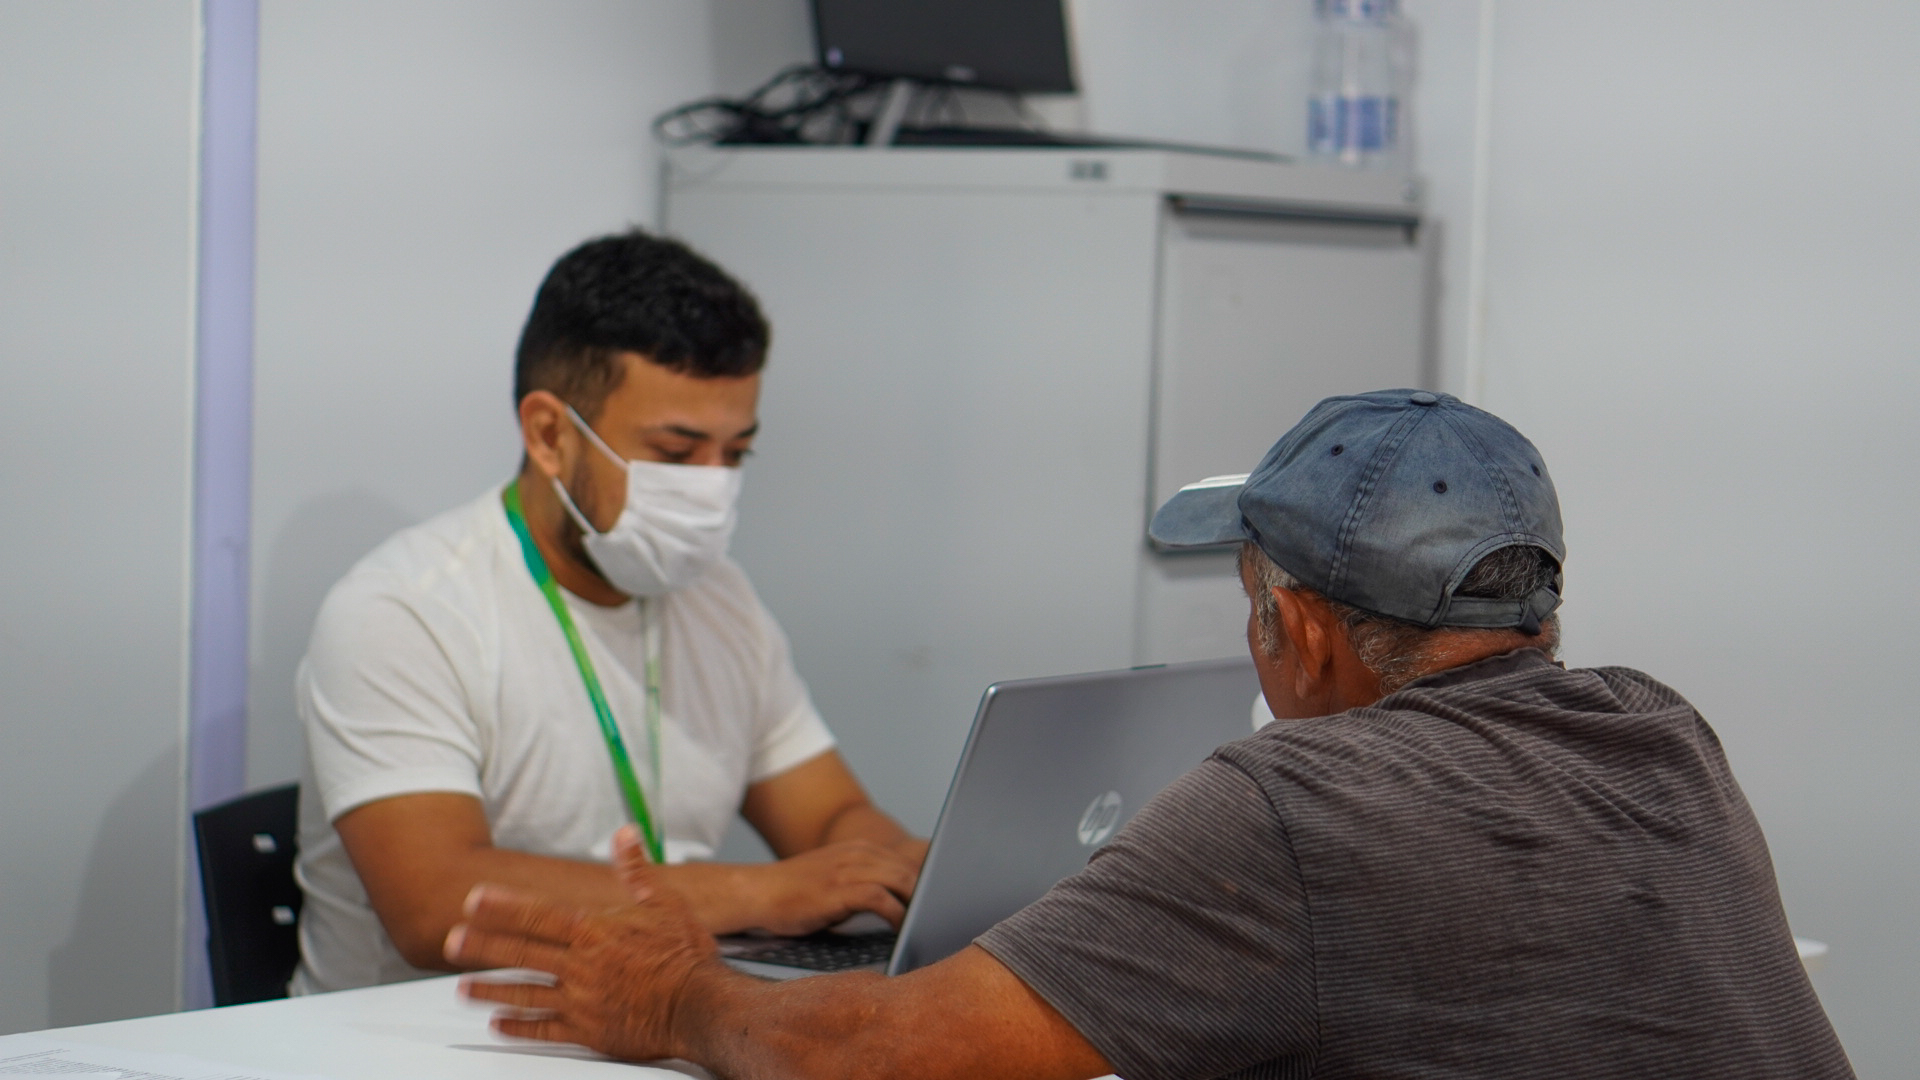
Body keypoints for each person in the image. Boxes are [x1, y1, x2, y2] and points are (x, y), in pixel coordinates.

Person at [445, 389, 1853, 1079]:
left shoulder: (1305, 798)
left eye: (1249, 604)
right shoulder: (1658, 730)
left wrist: (681, 999)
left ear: (1296, 631)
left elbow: (892, 1053)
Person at [292, 230, 926, 994]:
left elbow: (830, 818)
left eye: (737, 454)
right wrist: (765, 893)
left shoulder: (717, 596)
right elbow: (438, 907)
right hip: (411, 1047)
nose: (712, 488)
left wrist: (895, 876)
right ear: (550, 435)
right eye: (675, 452)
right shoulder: (404, 609)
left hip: (648, 1020)